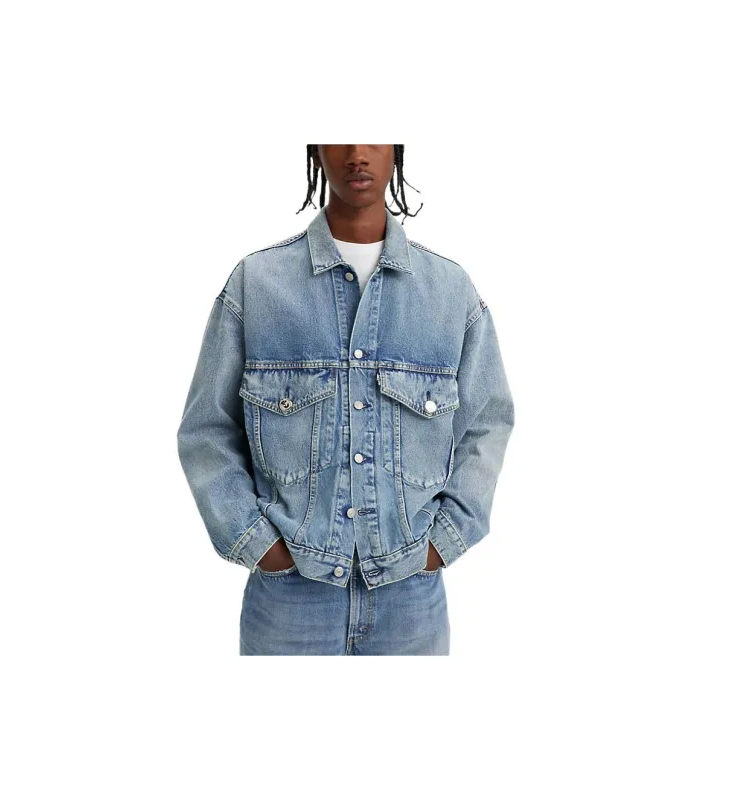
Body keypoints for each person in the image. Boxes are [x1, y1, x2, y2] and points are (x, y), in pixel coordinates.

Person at [177, 144, 515, 655]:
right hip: (289, 602)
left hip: (411, 601)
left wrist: (443, 541)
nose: (358, 153)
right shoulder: (258, 284)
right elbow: (207, 430)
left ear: (398, 150)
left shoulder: (449, 292)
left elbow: (487, 423)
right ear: (315, 151)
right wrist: (258, 544)